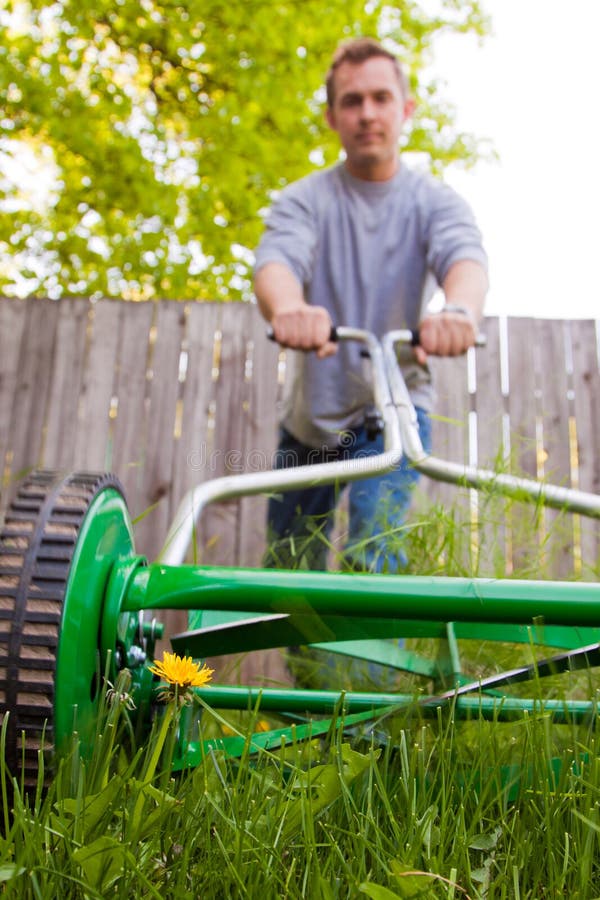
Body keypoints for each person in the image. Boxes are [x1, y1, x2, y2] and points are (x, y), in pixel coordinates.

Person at [254, 37, 488, 575]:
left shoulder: (435, 202)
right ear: (332, 116)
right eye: (352, 101)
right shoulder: (304, 200)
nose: (367, 114)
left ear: (405, 109)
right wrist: (289, 308)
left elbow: (466, 261)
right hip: (310, 423)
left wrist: (458, 314)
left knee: (374, 557)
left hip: (395, 413)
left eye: (381, 98)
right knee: (289, 575)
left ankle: (370, 659)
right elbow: (276, 264)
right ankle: (311, 662)